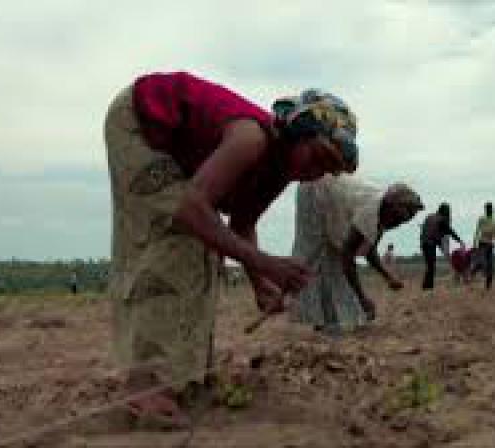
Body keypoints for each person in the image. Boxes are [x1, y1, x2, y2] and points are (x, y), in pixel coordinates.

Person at [104, 71, 360, 425]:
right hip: (140, 122)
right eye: (317, 157)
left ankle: (185, 375)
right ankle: (145, 387)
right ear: (297, 135)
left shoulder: (278, 172)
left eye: (328, 169)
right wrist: (267, 264)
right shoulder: (251, 138)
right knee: (178, 243)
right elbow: (193, 208)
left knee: (207, 251)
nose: (316, 172)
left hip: (171, 147)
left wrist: (260, 284)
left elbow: (241, 224)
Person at [291, 175, 422, 335]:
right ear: (390, 206)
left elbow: (369, 250)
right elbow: (348, 255)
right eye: (399, 218)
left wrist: (387, 276)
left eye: (403, 221)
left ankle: (330, 320)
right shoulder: (371, 210)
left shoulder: (383, 214)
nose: (398, 224)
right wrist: (362, 297)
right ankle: (326, 321)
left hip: (330, 196)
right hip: (315, 190)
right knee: (323, 257)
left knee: (333, 257)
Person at [420, 203, 464, 291]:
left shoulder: (430, 216)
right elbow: (449, 231)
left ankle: (426, 286)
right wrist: (459, 240)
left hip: (424, 242)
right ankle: (428, 287)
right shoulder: (441, 219)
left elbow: (428, 230)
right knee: (431, 266)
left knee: (430, 265)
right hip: (429, 243)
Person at [471, 201, 495, 290]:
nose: (489, 210)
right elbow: (477, 231)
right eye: (487, 209)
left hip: (490, 245)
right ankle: (472, 273)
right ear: (485, 210)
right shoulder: (482, 219)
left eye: (490, 209)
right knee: (482, 262)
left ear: (492, 210)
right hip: (482, 243)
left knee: (491, 265)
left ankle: (488, 286)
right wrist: (474, 243)